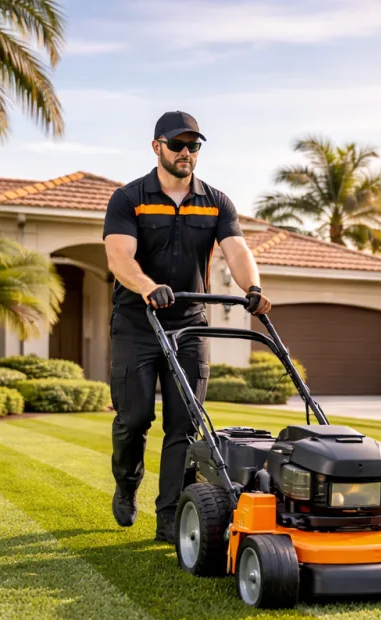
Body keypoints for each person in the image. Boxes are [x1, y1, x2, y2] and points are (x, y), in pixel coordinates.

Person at [102, 110, 271, 542]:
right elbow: (119, 257)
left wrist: (252, 287)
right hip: (138, 324)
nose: (186, 153)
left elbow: (236, 249)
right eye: (177, 145)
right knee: (133, 418)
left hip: (190, 326)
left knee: (184, 424)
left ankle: (169, 518)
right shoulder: (129, 198)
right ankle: (126, 483)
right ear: (157, 146)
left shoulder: (216, 201)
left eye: (194, 146)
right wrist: (147, 286)